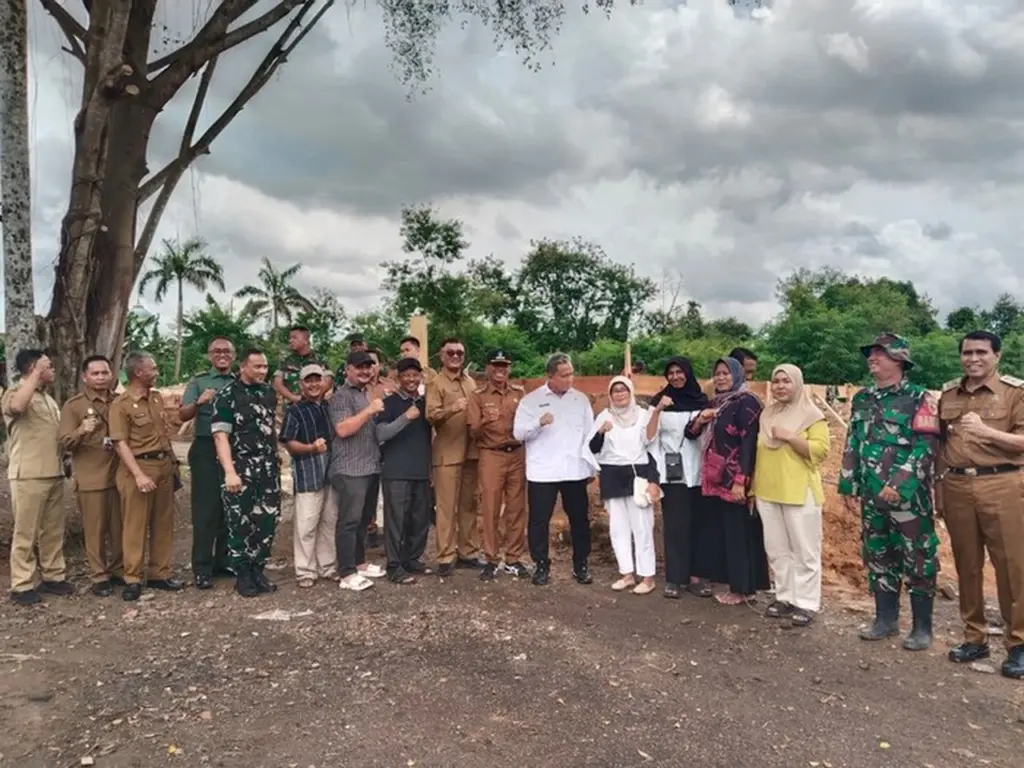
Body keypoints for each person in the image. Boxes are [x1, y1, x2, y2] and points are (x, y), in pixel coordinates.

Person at [838, 333, 939, 651]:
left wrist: (899, 484)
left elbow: (926, 447)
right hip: (871, 496)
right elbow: (853, 441)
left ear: (899, 359)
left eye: (879, 353)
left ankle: (921, 628)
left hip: (908, 499)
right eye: (870, 353)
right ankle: (885, 620)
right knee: (878, 555)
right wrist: (848, 483)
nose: (872, 358)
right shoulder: (862, 399)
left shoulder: (919, 398)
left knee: (918, 558)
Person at [938, 330, 1024, 679]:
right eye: (967, 352)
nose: (973, 359)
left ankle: (1018, 643)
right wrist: (939, 489)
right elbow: (941, 445)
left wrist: (987, 432)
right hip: (957, 485)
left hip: (1002, 483)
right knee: (967, 564)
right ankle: (974, 637)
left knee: (1011, 566)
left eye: (981, 352)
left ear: (996, 356)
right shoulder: (948, 395)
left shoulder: (1014, 393)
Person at [752, 364, 830, 628]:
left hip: (799, 491)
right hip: (768, 489)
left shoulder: (812, 415)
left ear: (798, 383)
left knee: (805, 550)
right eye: (776, 381)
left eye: (786, 381)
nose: (780, 386)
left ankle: (806, 602)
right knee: (777, 549)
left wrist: (790, 437)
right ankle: (784, 596)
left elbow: (821, 451)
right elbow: (759, 452)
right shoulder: (767, 414)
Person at [686, 356, 769, 605]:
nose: (720, 378)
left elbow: (749, 443)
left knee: (739, 534)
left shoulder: (747, 402)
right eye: (717, 373)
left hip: (734, 480)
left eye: (726, 373)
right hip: (715, 478)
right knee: (724, 532)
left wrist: (741, 481)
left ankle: (743, 589)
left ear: (737, 374)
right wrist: (701, 419)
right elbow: (690, 433)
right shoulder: (716, 403)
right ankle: (736, 584)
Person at [513, 352, 596, 586]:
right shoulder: (531, 401)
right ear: (550, 376)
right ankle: (541, 565)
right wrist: (538, 423)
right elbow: (518, 433)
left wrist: (591, 468)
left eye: (571, 374)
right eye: (564, 375)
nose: (570, 379)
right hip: (543, 472)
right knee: (539, 521)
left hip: (574, 471)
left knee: (579, 520)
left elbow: (589, 435)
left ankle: (581, 564)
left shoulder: (581, 400)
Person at [109, 351, 183, 602]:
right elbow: (120, 443)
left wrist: (172, 465)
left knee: (163, 522)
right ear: (138, 372)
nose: (157, 372)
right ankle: (132, 577)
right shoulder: (121, 405)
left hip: (162, 465)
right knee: (135, 525)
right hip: (138, 467)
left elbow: (164, 434)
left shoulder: (156, 398)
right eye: (153, 368)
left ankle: (159, 573)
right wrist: (139, 475)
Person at [211, 349, 281, 597]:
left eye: (265, 366)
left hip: (268, 468)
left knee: (267, 520)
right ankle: (242, 573)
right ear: (243, 367)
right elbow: (220, 436)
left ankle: (257, 569)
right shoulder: (227, 395)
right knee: (239, 521)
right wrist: (229, 472)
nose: (263, 371)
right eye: (257, 366)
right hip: (240, 467)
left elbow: (269, 427)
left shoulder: (268, 393)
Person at [2, 350, 70, 606]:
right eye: (47, 366)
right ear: (33, 368)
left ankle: (53, 575)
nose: (52, 370)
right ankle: (21, 584)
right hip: (28, 474)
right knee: (26, 532)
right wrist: (37, 372)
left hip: (53, 471)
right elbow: (17, 407)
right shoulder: (14, 392)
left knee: (53, 530)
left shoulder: (47, 398)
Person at [584, 376, 660, 595]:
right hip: (612, 476)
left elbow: (652, 447)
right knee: (618, 528)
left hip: (638, 476)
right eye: (615, 391)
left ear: (630, 392)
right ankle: (626, 574)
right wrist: (601, 432)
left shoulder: (643, 415)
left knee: (642, 527)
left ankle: (647, 577)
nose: (620, 394)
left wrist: (653, 480)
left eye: (623, 390)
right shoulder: (605, 416)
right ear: (610, 395)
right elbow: (593, 448)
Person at [58, 354, 123, 597]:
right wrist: (81, 430)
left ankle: (118, 569)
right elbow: (64, 442)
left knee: (119, 528)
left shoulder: (119, 402)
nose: (101, 377)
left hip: (119, 476)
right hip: (92, 478)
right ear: (85, 377)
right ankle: (99, 575)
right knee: (95, 531)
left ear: (112, 375)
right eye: (95, 373)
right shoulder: (74, 406)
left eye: (105, 372)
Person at [646, 357, 711, 599]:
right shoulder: (659, 401)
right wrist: (659, 409)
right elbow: (649, 438)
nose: (675, 377)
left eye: (679, 372)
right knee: (676, 526)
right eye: (670, 373)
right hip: (672, 474)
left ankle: (696, 576)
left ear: (688, 373)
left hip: (701, 473)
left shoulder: (702, 402)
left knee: (700, 526)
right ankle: (675, 578)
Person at [467, 349, 530, 581]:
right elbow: (472, 432)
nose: (500, 370)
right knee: (490, 508)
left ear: (509, 368)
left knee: (516, 509)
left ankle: (513, 558)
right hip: (491, 455)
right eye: (495, 365)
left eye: (504, 366)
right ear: (487, 368)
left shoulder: (519, 393)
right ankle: (491, 559)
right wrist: (485, 420)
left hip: (517, 454)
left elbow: (528, 423)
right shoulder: (478, 396)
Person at [179, 337, 236, 589]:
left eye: (227, 351)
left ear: (233, 356)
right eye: (217, 351)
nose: (222, 355)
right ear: (210, 355)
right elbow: (183, 414)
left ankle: (223, 561)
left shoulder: (238, 381)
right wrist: (199, 401)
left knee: (229, 508)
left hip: (233, 449)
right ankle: (202, 567)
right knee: (205, 510)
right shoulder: (198, 381)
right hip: (206, 448)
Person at [329, 350, 387, 591]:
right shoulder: (341, 396)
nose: (365, 371)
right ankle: (346, 572)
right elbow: (342, 429)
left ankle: (359, 563)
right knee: (349, 522)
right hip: (349, 469)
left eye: (368, 367)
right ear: (348, 370)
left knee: (364, 519)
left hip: (369, 467)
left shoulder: (366, 393)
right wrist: (370, 411)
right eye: (359, 367)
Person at [426, 336, 484, 577]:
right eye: (450, 352)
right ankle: (445, 556)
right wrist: (452, 409)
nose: (455, 357)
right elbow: (431, 415)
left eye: (459, 353)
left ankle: (468, 552)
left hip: (471, 453)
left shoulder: (470, 382)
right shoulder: (435, 383)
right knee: (446, 508)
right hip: (447, 454)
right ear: (441, 356)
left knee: (469, 506)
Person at [376, 357, 433, 584]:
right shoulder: (389, 403)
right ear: (399, 378)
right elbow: (381, 434)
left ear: (420, 377)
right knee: (396, 521)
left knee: (419, 520)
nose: (411, 379)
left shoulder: (426, 403)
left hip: (421, 470)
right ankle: (394, 565)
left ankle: (412, 559)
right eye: (406, 375)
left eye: (415, 375)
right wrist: (405, 418)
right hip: (396, 471)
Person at [280, 365, 336, 588]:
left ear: (324, 382)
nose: (313, 385)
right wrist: (311, 448)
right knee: (306, 525)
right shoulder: (295, 411)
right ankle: (305, 571)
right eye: (308, 381)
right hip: (308, 472)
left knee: (329, 522)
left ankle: (328, 567)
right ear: (301, 384)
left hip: (332, 473)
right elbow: (288, 443)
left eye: (317, 380)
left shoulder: (329, 407)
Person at [274, 325, 332, 409]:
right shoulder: (286, 361)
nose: (291, 341)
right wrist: (293, 397)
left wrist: (313, 396)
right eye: (290, 338)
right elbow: (277, 382)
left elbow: (328, 380)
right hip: (291, 407)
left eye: (294, 338)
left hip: (315, 407)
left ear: (305, 340)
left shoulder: (320, 359)